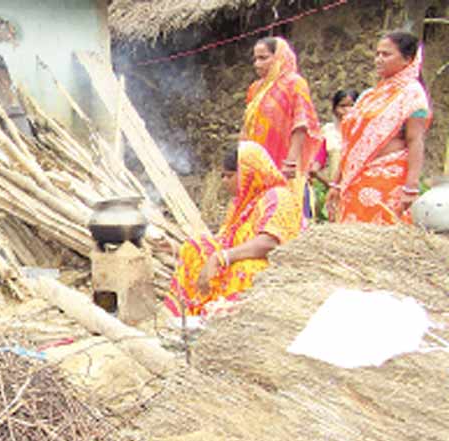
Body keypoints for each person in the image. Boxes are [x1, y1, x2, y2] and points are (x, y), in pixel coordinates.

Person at [166, 142, 302, 318]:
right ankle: (190, 315)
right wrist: (173, 247)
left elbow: (270, 242)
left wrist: (222, 257)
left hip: (269, 264)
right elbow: (224, 239)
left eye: (229, 176)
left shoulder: (278, 197)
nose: (224, 182)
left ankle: (224, 319)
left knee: (244, 269)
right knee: (195, 247)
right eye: (222, 176)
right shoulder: (241, 203)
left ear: (248, 173)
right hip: (235, 257)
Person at [329, 31, 431, 224]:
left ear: (407, 59)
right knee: (351, 242)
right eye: (377, 54)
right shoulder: (370, 95)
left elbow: (415, 140)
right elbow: (351, 144)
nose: (378, 59)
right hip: (355, 181)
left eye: (386, 54)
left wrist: (411, 186)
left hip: (387, 181)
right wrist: (336, 182)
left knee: (379, 242)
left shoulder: (412, 95)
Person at [242, 37, 323, 218]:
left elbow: (301, 124)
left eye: (263, 58)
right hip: (259, 163)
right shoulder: (255, 89)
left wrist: (291, 162)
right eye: (255, 59)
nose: (257, 64)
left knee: (286, 212)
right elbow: (248, 127)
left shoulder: (294, 83)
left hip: (283, 162)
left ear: (279, 57)